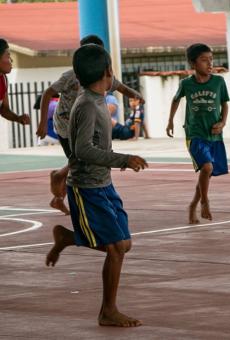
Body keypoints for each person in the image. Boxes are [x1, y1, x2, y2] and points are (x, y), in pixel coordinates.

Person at [45, 44, 148, 327]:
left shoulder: (99, 88)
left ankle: (68, 237)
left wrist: (132, 93)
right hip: (86, 187)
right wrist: (123, 159)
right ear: (106, 71)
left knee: (124, 244)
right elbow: (82, 150)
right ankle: (108, 311)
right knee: (115, 249)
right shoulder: (88, 105)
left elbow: (117, 84)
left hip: (104, 183)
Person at [36, 35, 145, 214]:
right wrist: (42, 123)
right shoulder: (69, 77)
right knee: (81, 160)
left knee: (83, 159)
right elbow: (48, 93)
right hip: (66, 125)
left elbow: (120, 87)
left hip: (86, 122)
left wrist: (135, 95)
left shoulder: (103, 76)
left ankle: (60, 189)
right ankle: (61, 186)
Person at [166, 43, 229, 224]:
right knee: (207, 167)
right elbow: (176, 99)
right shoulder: (186, 83)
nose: (209, 63)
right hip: (194, 135)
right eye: (204, 60)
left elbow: (225, 103)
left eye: (211, 59)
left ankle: (193, 204)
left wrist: (223, 122)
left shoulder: (219, 82)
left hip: (215, 136)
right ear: (193, 64)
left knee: (205, 173)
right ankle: (205, 201)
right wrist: (170, 120)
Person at [0, 39, 30, 126]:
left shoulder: (4, 80)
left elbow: (3, 109)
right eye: (8, 56)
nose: (11, 60)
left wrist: (18, 118)